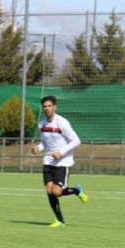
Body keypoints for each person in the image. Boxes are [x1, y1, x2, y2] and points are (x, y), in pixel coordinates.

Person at [31, 95, 88, 228]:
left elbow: (76, 140)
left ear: (54, 107)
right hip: (49, 161)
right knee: (49, 190)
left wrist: (61, 152)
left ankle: (76, 190)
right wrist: (38, 148)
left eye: (49, 106)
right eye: (44, 106)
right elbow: (46, 142)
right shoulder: (41, 124)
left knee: (57, 192)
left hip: (63, 162)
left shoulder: (62, 122)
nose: (47, 109)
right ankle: (60, 221)